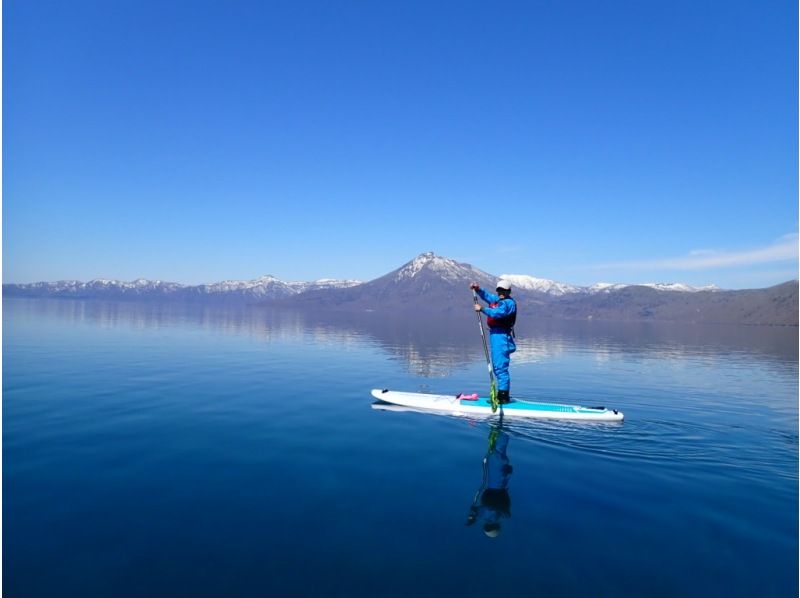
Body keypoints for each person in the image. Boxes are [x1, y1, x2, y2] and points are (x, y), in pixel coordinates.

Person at [470, 279, 517, 404]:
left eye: (504, 290)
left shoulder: (508, 303)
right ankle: (501, 394)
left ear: (509, 291)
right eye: (499, 290)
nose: (501, 293)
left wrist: (482, 309)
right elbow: (487, 296)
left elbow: (498, 313)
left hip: (502, 337)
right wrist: (478, 289)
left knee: (500, 368)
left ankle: (503, 397)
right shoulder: (498, 300)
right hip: (495, 335)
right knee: (497, 367)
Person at [466, 423, 513, 538]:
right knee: (496, 454)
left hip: (498, 483)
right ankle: (502, 429)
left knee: (497, 454)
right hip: (496, 483)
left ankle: (500, 430)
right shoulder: (494, 516)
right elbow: (487, 511)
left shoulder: (498, 515)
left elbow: (483, 511)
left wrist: (474, 515)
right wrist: (474, 515)